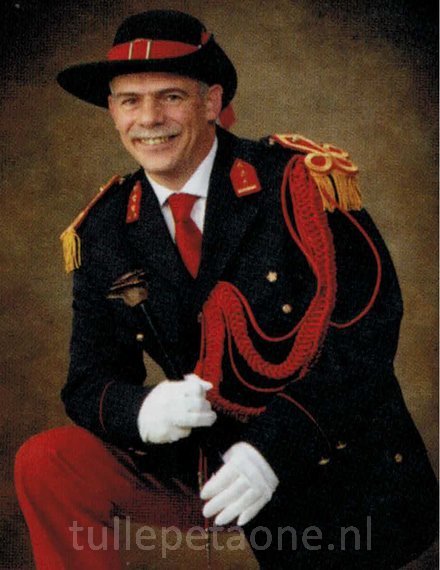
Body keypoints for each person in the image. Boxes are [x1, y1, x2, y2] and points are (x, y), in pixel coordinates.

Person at [15, 9, 437, 570]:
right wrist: (142, 410)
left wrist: (274, 449)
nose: (148, 119)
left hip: (328, 458)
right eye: (129, 101)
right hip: (208, 463)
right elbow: (88, 381)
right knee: (49, 461)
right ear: (112, 111)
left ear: (212, 102)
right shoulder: (105, 229)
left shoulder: (297, 183)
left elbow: (368, 333)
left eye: (170, 97)